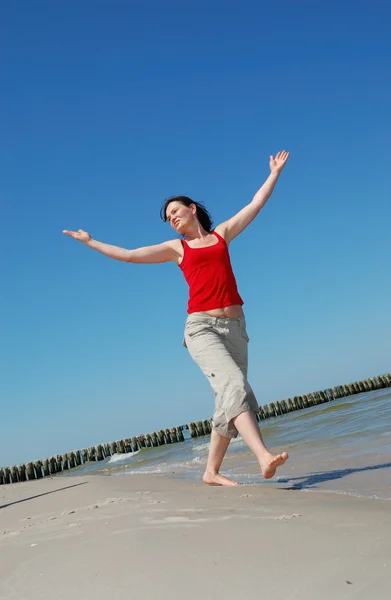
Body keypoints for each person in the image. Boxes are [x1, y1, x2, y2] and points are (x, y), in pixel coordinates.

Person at [63, 150, 290, 486]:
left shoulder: (221, 235)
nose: (172, 219)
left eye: (175, 212)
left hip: (236, 329)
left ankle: (211, 472)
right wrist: (91, 241)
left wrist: (274, 173)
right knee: (234, 386)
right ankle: (263, 457)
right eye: (168, 217)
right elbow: (129, 256)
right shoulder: (177, 249)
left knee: (226, 401)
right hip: (201, 328)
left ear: (192, 208)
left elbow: (255, 204)